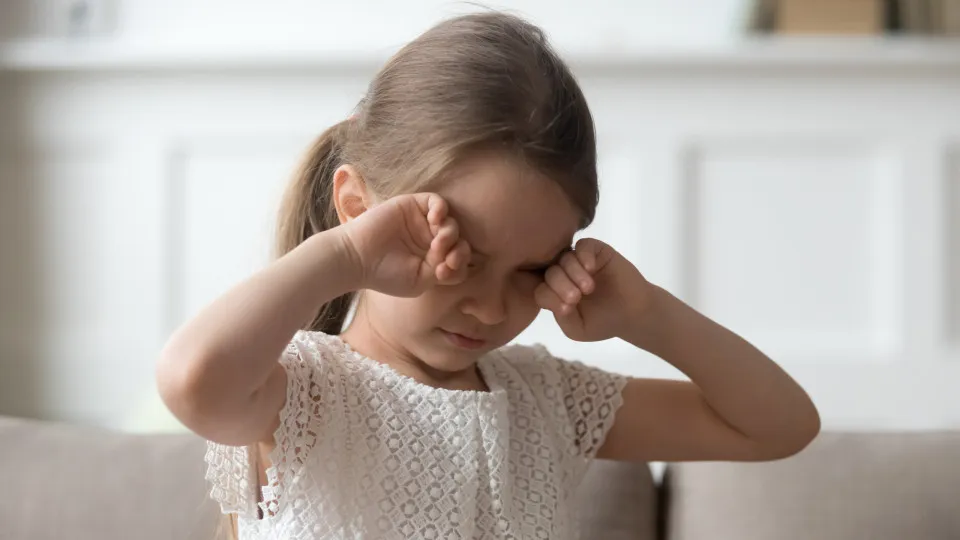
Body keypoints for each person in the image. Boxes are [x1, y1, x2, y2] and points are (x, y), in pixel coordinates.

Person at [156, 11, 820, 540]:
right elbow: (192, 379)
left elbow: (780, 425)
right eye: (461, 260)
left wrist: (650, 315)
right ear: (358, 208)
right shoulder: (303, 391)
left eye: (531, 270)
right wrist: (344, 255)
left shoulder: (546, 400)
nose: (488, 306)